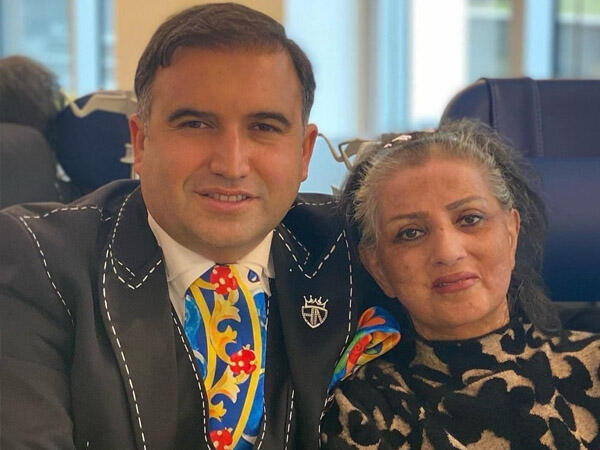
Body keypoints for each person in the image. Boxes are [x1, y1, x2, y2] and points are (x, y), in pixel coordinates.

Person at [0, 4, 384, 449]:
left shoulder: (356, 247)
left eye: (264, 127)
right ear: (141, 142)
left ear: (303, 152)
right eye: (196, 124)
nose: (231, 165)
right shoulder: (37, 259)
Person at [321, 120, 600, 449]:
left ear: (511, 234)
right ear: (378, 267)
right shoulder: (362, 412)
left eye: (470, 219)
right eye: (411, 233)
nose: (448, 252)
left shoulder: (594, 363)